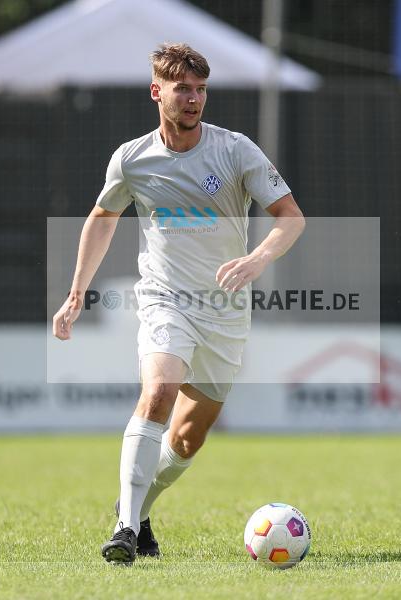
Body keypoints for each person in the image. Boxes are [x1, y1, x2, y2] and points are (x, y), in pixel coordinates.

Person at [51, 43, 305, 565]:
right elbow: (102, 220)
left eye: (200, 89)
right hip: (166, 299)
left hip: (226, 311)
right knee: (160, 389)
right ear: (157, 91)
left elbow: (291, 217)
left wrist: (257, 259)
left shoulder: (235, 150)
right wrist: (76, 291)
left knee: (188, 438)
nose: (193, 99)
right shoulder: (132, 158)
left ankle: (139, 506)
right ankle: (124, 528)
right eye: (182, 89)